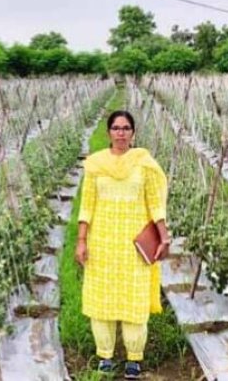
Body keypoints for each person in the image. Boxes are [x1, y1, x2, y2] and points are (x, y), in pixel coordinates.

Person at [75, 110, 171, 379]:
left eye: (126, 128)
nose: (121, 133)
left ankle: (134, 358)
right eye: (116, 128)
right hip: (102, 243)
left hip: (134, 246)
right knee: (102, 300)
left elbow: (155, 203)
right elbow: (86, 206)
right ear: (108, 133)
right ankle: (104, 355)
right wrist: (81, 240)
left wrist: (163, 236)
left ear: (133, 133)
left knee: (134, 301)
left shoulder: (144, 163)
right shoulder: (95, 165)